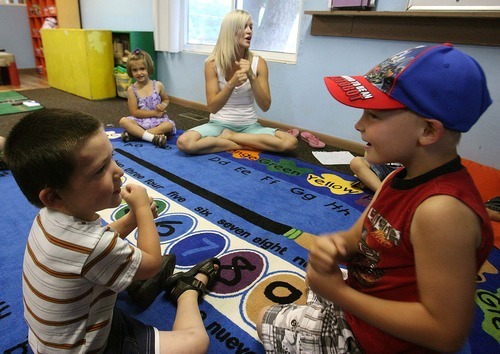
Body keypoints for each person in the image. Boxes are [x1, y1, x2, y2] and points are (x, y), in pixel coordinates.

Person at [256, 43, 494, 353]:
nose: (358, 124)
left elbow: (445, 332)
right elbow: (361, 237)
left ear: (426, 131)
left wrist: (340, 295)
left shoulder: (442, 212)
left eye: (373, 115)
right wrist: (337, 246)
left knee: (263, 316)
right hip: (366, 296)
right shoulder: (397, 177)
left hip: (378, 341)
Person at [5, 108, 219, 353]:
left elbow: (97, 242)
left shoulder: (48, 217)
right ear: (54, 196)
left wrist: (130, 219)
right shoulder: (93, 246)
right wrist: (142, 211)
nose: (118, 172)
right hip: (88, 347)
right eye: (100, 169)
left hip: (58, 336)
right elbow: (151, 265)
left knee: (111, 265)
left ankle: (125, 275)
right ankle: (185, 290)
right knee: (196, 343)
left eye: (112, 158)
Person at [176, 9, 297, 155]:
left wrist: (252, 77)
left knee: (290, 142)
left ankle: (230, 139)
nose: (249, 32)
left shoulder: (259, 63)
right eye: (244, 27)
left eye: (251, 27)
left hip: (249, 127)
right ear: (231, 31)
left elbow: (265, 106)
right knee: (185, 142)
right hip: (218, 125)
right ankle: (245, 144)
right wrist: (231, 84)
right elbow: (213, 108)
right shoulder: (212, 64)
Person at [119, 49, 176, 148]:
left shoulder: (158, 85)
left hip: (158, 121)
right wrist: (154, 113)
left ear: (148, 69)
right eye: (135, 70)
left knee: (169, 125)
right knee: (123, 121)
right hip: (140, 121)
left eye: (142, 69)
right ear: (130, 71)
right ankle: (153, 137)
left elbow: (166, 99)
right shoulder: (131, 89)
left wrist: (162, 105)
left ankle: (137, 136)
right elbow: (134, 112)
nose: (139, 73)